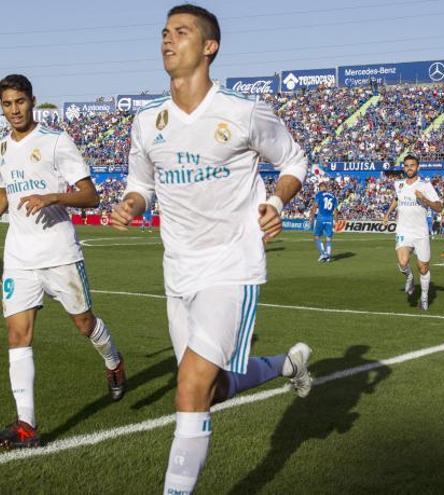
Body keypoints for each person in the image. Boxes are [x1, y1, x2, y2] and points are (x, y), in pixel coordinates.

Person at [108, 6, 311, 493]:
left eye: (181, 32)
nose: (167, 40)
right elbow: (141, 184)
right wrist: (131, 204)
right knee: (212, 388)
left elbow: (293, 160)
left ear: (209, 46)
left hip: (231, 265)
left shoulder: (242, 111)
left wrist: (277, 201)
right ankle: (287, 365)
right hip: (177, 271)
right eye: (163, 33)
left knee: (190, 387)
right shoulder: (146, 121)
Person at [0, 74, 127, 449]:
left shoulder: (55, 142)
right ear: (0, 107)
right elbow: (4, 194)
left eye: (20, 101)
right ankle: (26, 425)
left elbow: (91, 196)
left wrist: (53, 198)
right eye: (7, 104)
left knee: (84, 324)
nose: (14, 110)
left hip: (59, 253)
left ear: (32, 101)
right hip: (19, 256)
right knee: (18, 335)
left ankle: (114, 361)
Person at [382, 155, 443, 311]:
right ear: (404, 167)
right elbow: (397, 198)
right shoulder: (399, 184)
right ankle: (409, 277)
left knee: (423, 268)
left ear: (418, 167)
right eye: (406, 165)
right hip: (403, 230)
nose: (409, 168)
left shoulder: (425, 185)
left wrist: (424, 199)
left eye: (412, 165)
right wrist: (388, 213)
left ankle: (424, 298)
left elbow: (438, 207)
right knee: (403, 262)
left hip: (421, 233)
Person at [309, 181, 338, 262]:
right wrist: (336, 221)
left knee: (316, 236)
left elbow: (315, 207)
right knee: (329, 238)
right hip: (330, 219)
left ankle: (323, 254)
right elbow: (335, 210)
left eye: (319, 188)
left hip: (321, 218)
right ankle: (328, 256)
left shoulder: (319, 194)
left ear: (321, 187)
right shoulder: (333, 196)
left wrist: (311, 218)